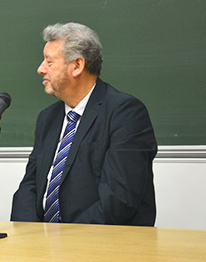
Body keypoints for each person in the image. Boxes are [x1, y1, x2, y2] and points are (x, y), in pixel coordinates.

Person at [11, 23, 157, 225]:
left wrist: (64, 239)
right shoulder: (47, 118)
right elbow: (30, 186)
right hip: (43, 246)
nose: (40, 69)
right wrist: (29, 235)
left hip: (102, 246)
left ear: (77, 66)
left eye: (49, 62)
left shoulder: (125, 113)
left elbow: (119, 199)